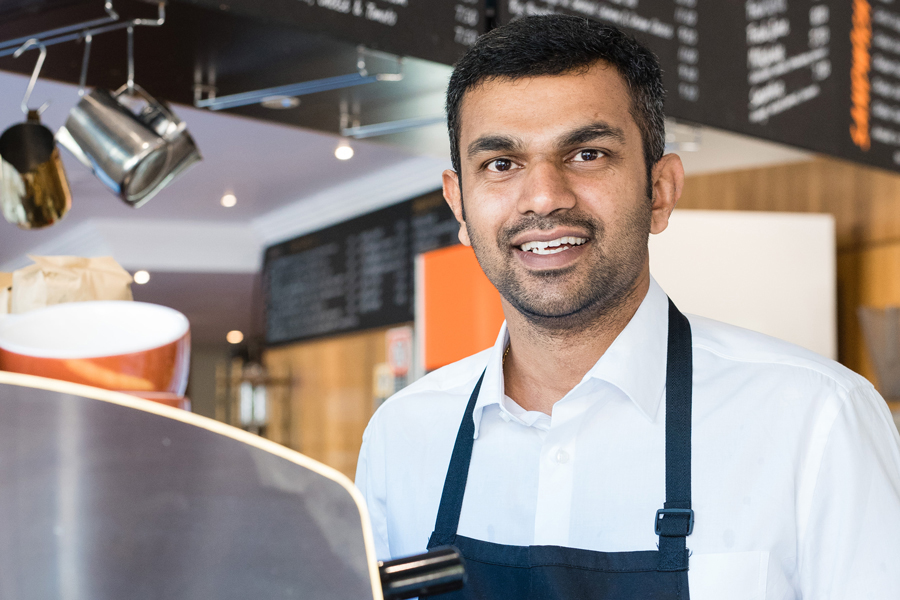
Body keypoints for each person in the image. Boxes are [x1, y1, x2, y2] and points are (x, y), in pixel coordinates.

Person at [355, 14, 900, 600]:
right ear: (458, 201)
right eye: (501, 164)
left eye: (587, 154)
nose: (543, 196)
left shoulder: (817, 419)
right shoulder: (402, 435)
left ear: (660, 190)